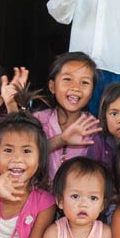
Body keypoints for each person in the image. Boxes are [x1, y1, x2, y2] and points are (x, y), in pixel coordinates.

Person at [33, 52, 101, 180]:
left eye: (85, 82)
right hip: (38, 197)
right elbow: (24, 155)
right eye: (67, 79)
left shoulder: (95, 129)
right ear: (52, 87)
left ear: (92, 92)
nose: (76, 87)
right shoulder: (38, 121)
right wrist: (61, 140)